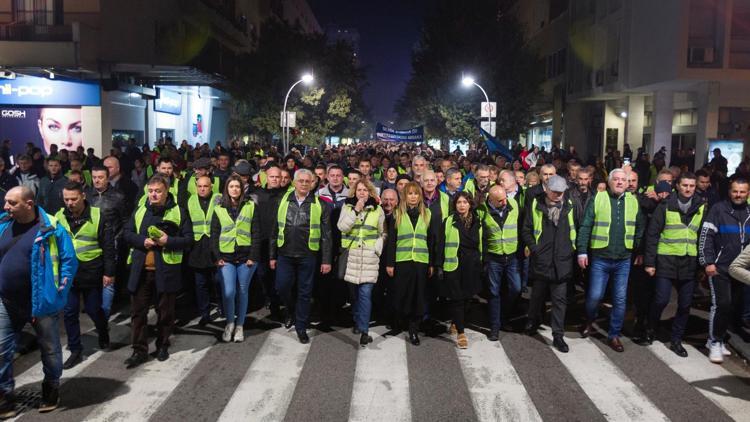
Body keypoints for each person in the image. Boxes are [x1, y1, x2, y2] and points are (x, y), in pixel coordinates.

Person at [0, 186, 77, 415]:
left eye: (12, 203)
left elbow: (69, 262)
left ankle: (51, 387)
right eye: (6, 202)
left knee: (50, 349)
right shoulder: (3, 223)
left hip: (41, 303)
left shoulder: (52, 228)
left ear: (29, 204)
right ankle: (4, 394)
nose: (6, 207)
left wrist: (58, 294)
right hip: (6, 300)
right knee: (1, 349)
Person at [122, 174, 192, 367]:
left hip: (166, 270)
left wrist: (167, 241)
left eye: (158, 191)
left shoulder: (179, 212)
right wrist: (141, 241)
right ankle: (139, 350)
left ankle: (162, 345)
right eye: (150, 191)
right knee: (138, 313)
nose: (153, 195)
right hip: (141, 270)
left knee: (166, 313)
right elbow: (127, 233)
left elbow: (188, 240)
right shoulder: (140, 209)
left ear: (166, 191)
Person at [577, 168, 645, 352]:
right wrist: (582, 251)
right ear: (609, 182)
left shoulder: (633, 201)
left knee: (620, 299)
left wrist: (638, 251)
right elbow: (586, 225)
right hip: (600, 257)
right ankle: (589, 320)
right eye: (616, 179)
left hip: (623, 259)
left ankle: (614, 335)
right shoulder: (598, 198)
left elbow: (640, 228)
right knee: (594, 296)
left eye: (624, 180)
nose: (621, 182)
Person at [643, 172, 705, 357]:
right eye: (685, 185)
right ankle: (650, 328)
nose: (688, 189)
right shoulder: (665, 205)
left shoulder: (702, 207)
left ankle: (676, 340)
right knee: (661, 299)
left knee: (685, 305)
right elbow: (652, 234)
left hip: (689, 261)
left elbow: (703, 236)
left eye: (692, 186)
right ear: (677, 186)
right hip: (666, 259)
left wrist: (702, 265)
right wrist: (649, 262)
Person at [270, 169, 332, 344]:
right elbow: (274, 230)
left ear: (313, 183)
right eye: (301, 181)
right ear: (294, 182)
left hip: (308, 255)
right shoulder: (282, 201)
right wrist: (272, 255)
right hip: (285, 253)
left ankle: (301, 326)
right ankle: (291, 310)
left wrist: (326, 260)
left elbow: (327, 235)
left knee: (305, 293)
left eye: (308, 181)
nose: (304, 184)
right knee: (282, 287)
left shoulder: (321, 205)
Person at [55, 182, 114, 369]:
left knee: (93, 309)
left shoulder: (98, 216)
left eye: (73, 199)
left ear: (83, 196)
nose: (70, 203)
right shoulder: (59, 217)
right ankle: (75, 350)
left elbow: (108, 247)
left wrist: (109, 273)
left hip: (92, 271)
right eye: (66, 199)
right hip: (68, 273)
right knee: (70, 312)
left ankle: (103, 331)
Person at [522, 175, 577, 353]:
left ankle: (558, 335)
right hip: (542, 260)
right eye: (555, 192)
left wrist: (571, 250)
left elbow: (577, 228)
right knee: (537, 296)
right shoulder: (535, 205)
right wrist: (535, 249)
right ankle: (532, 321)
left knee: (559, 301)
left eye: (561, 192)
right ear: (546, 189)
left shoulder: (570, 206)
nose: (559, 195)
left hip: (562, 261)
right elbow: (527, 230)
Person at [699, 178, 750, 364]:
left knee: (731, 307)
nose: (738, 195)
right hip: (720, 268)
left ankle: (718, 339)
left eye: (742, 192)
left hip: (741, 270)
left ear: (748, 193)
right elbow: (706, 237)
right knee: (722, 304)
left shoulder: (749, 212)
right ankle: (714, 342)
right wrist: (707, 262)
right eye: (735, 191)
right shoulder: (718, 209)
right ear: (730, 192)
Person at [384, 182, 435, 346]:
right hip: (402, 261)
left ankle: (414, 329)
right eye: (410, 194)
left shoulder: (427, 214)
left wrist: (431, 264)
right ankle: (399, 323)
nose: (413, 197)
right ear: (404, 196)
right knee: (401, 294)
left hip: (420, 262)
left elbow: (431, 241)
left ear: (420, 196)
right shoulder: (397, 214)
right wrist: (390, 263)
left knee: (418, 296)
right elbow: (392, 241)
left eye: (416, 194)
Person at [337, 179, 386, 347]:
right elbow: (342, 227)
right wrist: (356, 211)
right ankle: (358, 320)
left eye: (365, 190)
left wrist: (377, 249)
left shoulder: (377, 209)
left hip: (369, 258)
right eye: (359, 190)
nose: (362, 193)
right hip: (352, 257)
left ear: (370, 192)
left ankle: (364, 331)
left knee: (365, 294)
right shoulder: (347, 207)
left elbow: (382, 232)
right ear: (354, 192)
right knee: (355, 295)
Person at [211, 175, 260, 343]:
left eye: (237, 186)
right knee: (229, 292)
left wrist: (253, 256)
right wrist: (217, 257)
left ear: (242, 189)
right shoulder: (218, 207)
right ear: (227, 188)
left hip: (246, 257)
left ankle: (240, 326)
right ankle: (230, 323)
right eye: (231, 186)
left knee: (242, 291)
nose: (234, 189)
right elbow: (214, 234)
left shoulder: (251, 205)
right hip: (226, 257)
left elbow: (256, 232)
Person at [436, 192, 482, 349]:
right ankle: (461, 333)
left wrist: (482, 263)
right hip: (453, 265)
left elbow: (481, 243)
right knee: (457, 299)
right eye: (458, 202)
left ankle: (456, 322)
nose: (462, 205)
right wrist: (439, 265)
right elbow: (441, 244)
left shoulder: (478, 221)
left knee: (467, 298)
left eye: (465, 202)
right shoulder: (448, 221)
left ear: (470, 204)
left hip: (472, 266)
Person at [481, 185, 521, 340]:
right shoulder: (482, 211)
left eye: (505, 198)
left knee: (516, 289)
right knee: (493, 292)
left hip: (511, 256)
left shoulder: (514, 204)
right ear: (490, 199)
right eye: (499, 201)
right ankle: (495, 326)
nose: (504, 202)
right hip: (493, 258)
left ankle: (504, 316)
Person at [86, 165, 127, 318]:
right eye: (94, 177)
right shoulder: (87, 195)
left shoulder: (118, 196)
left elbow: (125, 220)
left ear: (107, 178)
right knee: (95, 278)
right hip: (91, 242)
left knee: (108, 279)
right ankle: (95, 310)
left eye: (100, 177)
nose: (97, 180)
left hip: (112, 243)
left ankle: (104, 314)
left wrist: (117, 239)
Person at [187, 175, 221, 326]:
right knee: (200, 284)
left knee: (219, 281)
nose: (202, 189)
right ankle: (205, 314)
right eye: (199, 186)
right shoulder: (191, 200)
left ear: (211, 186)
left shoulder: (219, 198)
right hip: (198, 246)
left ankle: (223, 308)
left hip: (216, 245)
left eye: (205, 186)